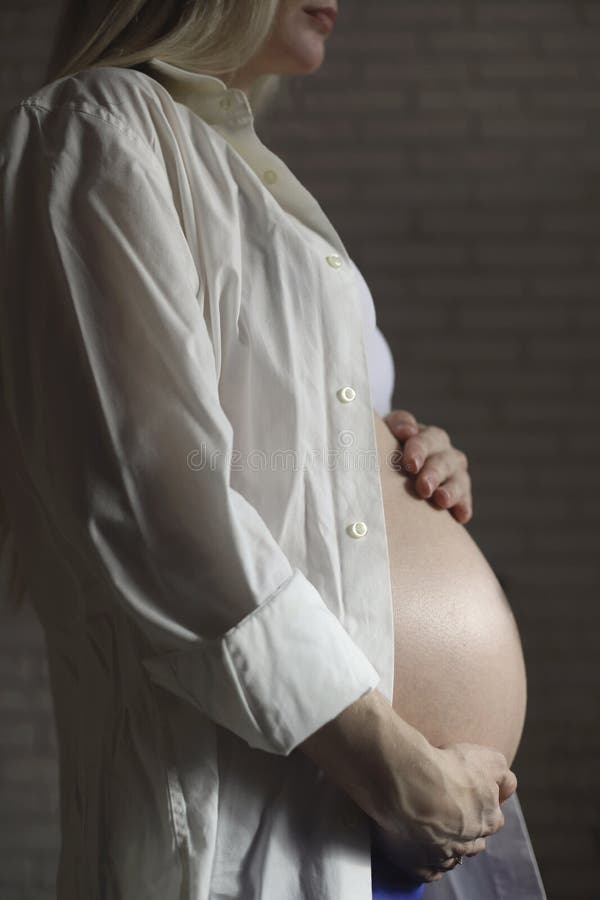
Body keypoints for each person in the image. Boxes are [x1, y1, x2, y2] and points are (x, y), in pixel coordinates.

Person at [0, 2, 546, 898]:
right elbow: (156, 506)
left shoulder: (248, 176)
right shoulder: (93, 128)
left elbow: (289, 457)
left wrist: (402, 459)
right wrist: (389, 762)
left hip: (417, 826)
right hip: (309, 804)